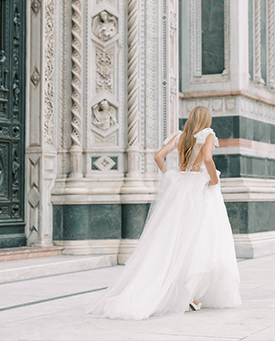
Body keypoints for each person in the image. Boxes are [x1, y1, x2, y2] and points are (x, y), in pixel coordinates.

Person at [87, 105, 241, 320]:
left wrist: (170, 175)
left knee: (174, 239)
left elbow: (158, 156)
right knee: (201, 238)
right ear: (206, 119)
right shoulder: (207, 134)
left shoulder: (180, 136)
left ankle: (180, 292)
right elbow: (207, 160)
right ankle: (188, 294)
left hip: (181, 186)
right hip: (200, 187)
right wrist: (213, 180)